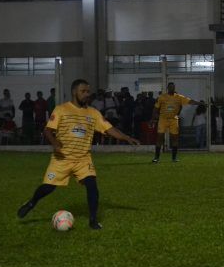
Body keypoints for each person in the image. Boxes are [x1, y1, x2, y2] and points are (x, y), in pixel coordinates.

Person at [17, 79, 140, 230]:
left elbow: (109, 129)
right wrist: (55, 143)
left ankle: (93, 221)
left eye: (88, 91)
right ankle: (31, 202)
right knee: (48, 188)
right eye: (83, 91)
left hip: (83, 159)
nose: (87, 94)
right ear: (74, 92)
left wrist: (126, 137)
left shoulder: (93, 113)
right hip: (62, 158)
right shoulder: (61, 109)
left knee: (92, 185)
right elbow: (47, 130)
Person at [151, 82, 201, 163]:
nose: (172, 88)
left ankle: (174, 158)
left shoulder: (179, 97)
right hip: (163, 119)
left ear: (174, 88)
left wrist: (199, 103)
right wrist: (152, 119)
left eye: (173, 87)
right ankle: (156, 157)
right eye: (170, 87)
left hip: (174, 120)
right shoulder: (162, 97)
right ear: (167, 88)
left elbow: (189, 101)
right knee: (160, 137)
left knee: (175, 138)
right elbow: (155, 108)